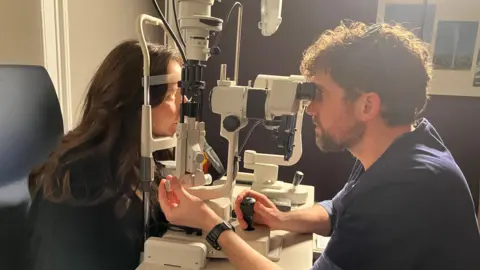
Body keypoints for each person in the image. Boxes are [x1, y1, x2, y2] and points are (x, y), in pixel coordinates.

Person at [157, 21, 480, 270]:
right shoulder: (402, 145)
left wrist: (212, 225)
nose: (310, 109)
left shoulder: (409, 186)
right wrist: (281, 218)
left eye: (320, 95)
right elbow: (337, 209)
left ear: (367, 106)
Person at [27, 40, 221, 270]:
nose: (184, 104)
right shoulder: (82, 187)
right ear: (133, 100)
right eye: (171, 95)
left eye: (182, 92)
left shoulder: (138, 162)